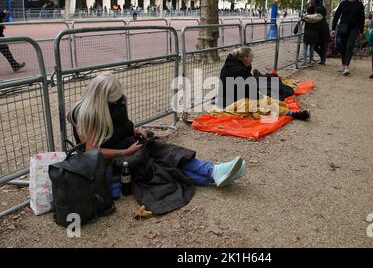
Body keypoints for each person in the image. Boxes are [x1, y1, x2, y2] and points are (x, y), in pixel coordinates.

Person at [67, 73, 247, 212]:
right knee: (162, 168)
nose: (117, 103)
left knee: (168, 152)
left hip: (129, 146)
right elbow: (92, 152)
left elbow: (117, 127)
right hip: (114, 159)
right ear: (102, 98)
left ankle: (213, 171)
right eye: (113, 101)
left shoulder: (113, 104)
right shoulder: (85, 115)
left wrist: (135, 131)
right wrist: (125, 152)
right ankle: (214, 174)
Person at [215, 46, 310, 121]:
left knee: (266, 98)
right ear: (245, 58)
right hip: (229, 103)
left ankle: (288, 111)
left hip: (230, 99)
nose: (252, 60)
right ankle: (293, 114)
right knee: (264, 102)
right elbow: (251, 92)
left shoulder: (232, 65)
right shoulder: (238, 70)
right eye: (251, 58)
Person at [331, 0, 365, 76]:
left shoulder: (359, 5)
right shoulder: (343, 3)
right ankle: (343, 64)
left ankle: (346, 66)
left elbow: (362, 19)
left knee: (349, 46)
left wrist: (361, 32)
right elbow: (336, 16)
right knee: (342, 47)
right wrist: (333, 29)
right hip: (343, 27)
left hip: (354, 28)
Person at [309, 0, 329, 65]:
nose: (311, 4)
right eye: (311, 2)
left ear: (315, 2)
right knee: (320, 45)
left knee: (317, 45)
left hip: (320, 29)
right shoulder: (320, 7)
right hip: (321, 29)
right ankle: (323, 58)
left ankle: (323, 58)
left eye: (312, 2)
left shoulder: (318, 9)